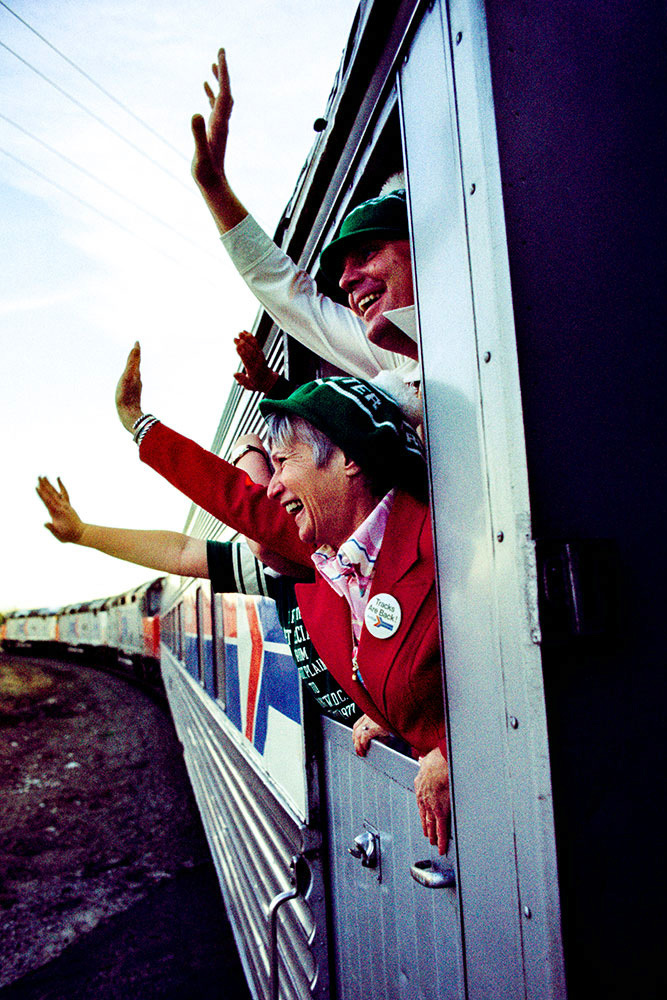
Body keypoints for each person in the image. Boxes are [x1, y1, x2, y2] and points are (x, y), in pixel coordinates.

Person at [116, 345, 450, 853]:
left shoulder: (440, 539)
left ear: (349, 459)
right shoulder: (322, 552)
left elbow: (516, 670)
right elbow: (232, 495)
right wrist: (140, 426)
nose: (269, 488)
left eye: (281, 464)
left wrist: (451, 749)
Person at [35, 472, 372, 730]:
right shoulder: (277, 571)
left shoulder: (361, 563)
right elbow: (180, 552)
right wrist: (83, 534)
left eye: (286, 463)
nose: (275, 488)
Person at [192, 49, 419, 378]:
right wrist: (214, 188)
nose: (345, 280)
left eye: (368, 251)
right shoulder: (397, 355)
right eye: (344, 269)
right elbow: (291, 296)